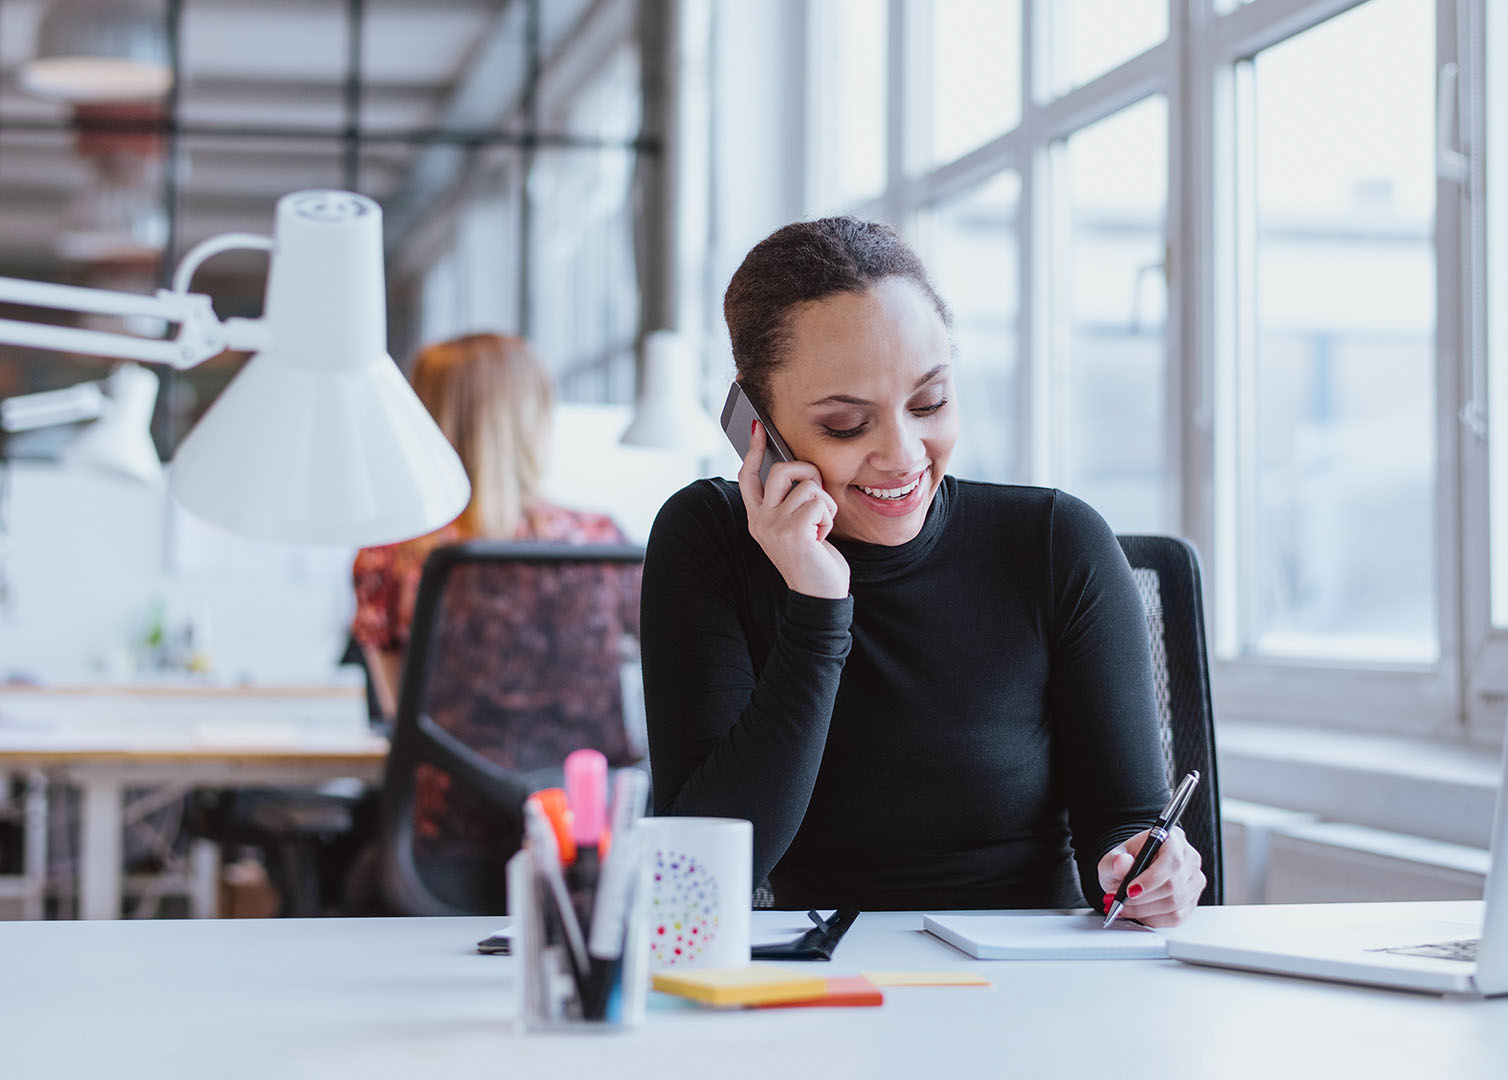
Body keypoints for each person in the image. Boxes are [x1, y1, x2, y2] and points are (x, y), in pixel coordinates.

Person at [641, 218, 1206, 925]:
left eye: (929, 402)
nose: (904, 454)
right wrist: (817, 604)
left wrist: (1151, 871)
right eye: (847, 424)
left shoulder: (1058, 544)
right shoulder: (708, 542)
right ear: (760, 427)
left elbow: (1123, 832)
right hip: (821, 990)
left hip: (1030, 987)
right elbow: (700, 881)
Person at [351, 332, 625, 719]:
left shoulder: (388, 554)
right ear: (535, 418)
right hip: (582, 779)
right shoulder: (602, 542)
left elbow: (401, 714)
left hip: (448, 780)